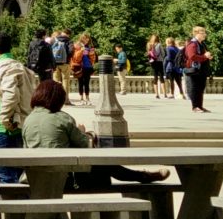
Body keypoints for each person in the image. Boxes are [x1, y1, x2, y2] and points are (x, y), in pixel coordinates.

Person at [21, 80, 168, 188]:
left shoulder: (28, 120)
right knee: (104, 166)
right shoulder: (63, 118)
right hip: (64, 180)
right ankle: (143, 176)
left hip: (36, 179)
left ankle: (143, 176)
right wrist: (85, 133)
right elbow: (87, 146)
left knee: (103, 167)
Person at [0, 29, 34, 184]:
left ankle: (12, 207)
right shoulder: (13, 65)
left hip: (6, 129)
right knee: (17, 174)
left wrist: (5, 119)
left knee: (6, 176)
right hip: (14, 126)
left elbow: (10, 95)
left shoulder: (6, 66)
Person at [182, 27, 211, 112]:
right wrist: (205, 57)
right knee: (194, 88)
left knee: (200, 88)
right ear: (197, 33)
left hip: (201, 70)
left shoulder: (201, 44)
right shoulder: (193, 44)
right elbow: (192, 56)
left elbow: (202, 55)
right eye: (203, 33)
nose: (205, 35)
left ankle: (200, 106)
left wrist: (207, 57)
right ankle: (195, 107)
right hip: (194, 70)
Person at [70, 35, 95, 104]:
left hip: (88, 67)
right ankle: (81, 98)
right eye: (85, 39)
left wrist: (91, 54)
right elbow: (76, 57)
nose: (86, 40)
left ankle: (87, 98)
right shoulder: (77, 46)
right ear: (81, 39)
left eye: (87, 39)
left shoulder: (90, 47)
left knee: (87, 83)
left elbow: (93, 58)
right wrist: (81, 50)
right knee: (80, 83)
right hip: (79, 67)